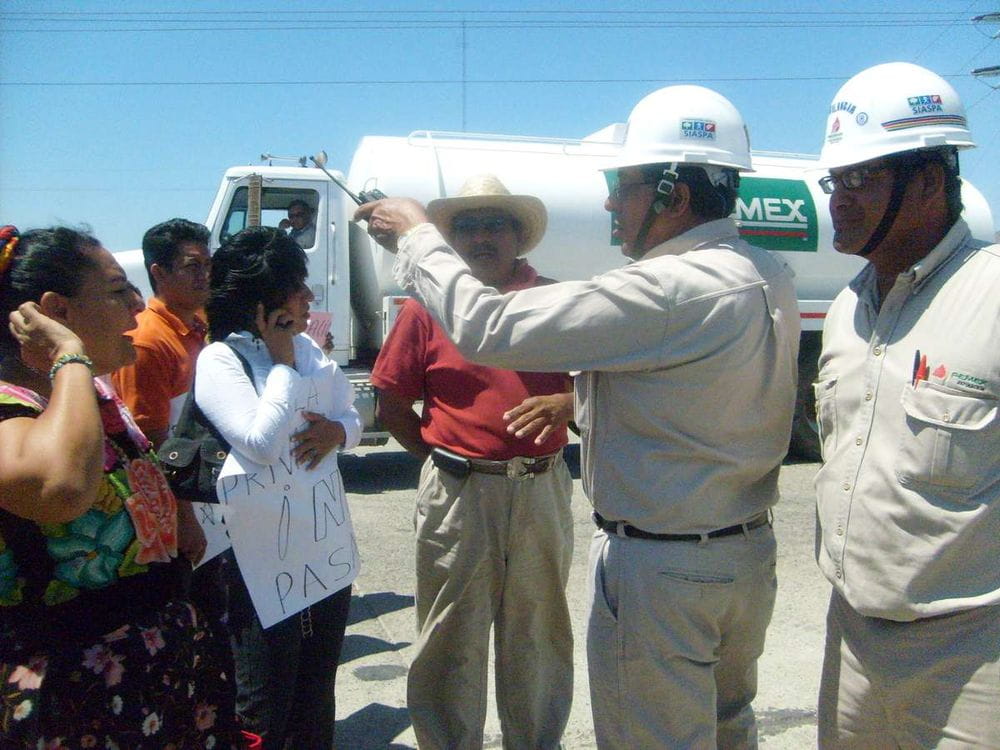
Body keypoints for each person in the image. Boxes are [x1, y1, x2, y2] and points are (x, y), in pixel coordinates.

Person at [358, 85, 800, 749]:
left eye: (622, 187)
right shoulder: (768, 273)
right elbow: (678, 399)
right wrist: (576, 403)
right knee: (723, 725)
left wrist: (416, 235)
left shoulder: (669, 286)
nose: (608, 205)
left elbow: (486, 325)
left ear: (673, 196)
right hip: (740, 556)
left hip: (667, 571)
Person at [809, 62, 1000, 748]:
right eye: (836, 180)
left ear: (929, 181)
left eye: (861, 177)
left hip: (972, 658)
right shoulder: (843, 314)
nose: (840, 198)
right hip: (852, 638)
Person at [0, 225, 241, 747]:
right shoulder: (10, 406)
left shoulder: (91, 393)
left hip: (148, 677)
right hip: (76, 694)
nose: (137, 306)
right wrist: (69, 355)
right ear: (54, 312)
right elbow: (60, 489)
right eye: (117, 290)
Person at [370, 174, 575, 749]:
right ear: (450, 240)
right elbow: (392, 401)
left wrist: (568, 401)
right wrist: (445, 457)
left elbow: (603, 389)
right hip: (458, 492)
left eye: (495, 224)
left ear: (519, 236)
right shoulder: (425, 308)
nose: (482, 237)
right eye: (467, 227)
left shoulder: (554, 299)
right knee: (449, 635)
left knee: (538, 633)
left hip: (541, 488)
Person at [195, 226, 362, 748]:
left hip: (322, 554)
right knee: (265, 699)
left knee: (318, 691)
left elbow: (352, 416)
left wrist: (338, 432)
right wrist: (282, 362)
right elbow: (260, 442)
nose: (309, 297)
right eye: (297, 287)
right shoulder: (221, 360)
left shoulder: (311, 350)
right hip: (260, 564)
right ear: (263, 303)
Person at [111, 218, 213, 567]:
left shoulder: (199, 325)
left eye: (207, 264)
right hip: (181, 510)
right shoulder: (148, 341)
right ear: (160, 272)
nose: (204, 275)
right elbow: (152, 440)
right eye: (192, 266)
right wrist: (184, 519)